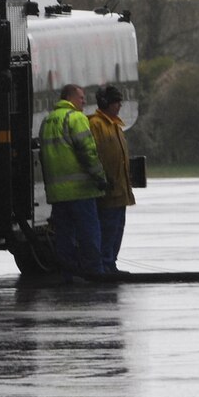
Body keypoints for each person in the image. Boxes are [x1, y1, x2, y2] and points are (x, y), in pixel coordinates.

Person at [40, 83, 110, 280]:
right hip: (81, 191)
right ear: (70, 98)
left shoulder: (47, 122)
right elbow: (88, 152)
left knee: (63, 236)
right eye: (81, 98)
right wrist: (100, 178)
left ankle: (68, 274)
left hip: (57, 194)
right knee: (89, 233)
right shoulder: (75, 118)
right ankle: (94, 272)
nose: (84, 101)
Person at [88, 84, 136, 274]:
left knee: (117, 229)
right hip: (108, 189)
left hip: (121, 189)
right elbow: (94, 155)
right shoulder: (96, 125)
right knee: (107, 228)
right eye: (116, 102)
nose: (119, 106)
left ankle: (111, 263)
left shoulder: (116, 125)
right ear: (106, 103)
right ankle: (104, 264)